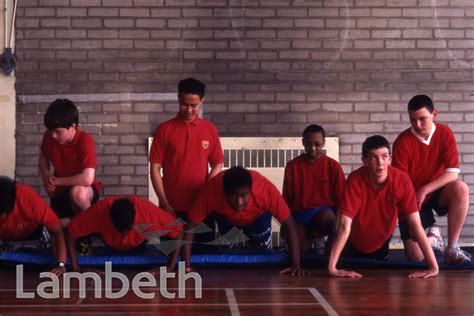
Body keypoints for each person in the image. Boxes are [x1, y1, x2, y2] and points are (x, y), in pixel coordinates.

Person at [328, 136, 438, 279]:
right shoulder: (355, 180)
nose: (380, 163)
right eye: (373, 158)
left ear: (390, 158)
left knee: (411, 259)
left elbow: (416, 224)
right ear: (365, 161)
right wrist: (332, 268)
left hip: (381, 242)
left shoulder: (402, 180)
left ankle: (434, 238)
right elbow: (344, 225)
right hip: (352, 242)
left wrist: (434, 267)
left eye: (384, 157)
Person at [182, 166, 308, 276]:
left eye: (244, 195)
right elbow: (191, 225)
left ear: (251, 190)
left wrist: (295, 263)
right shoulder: (211, 191)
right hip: (227, 220)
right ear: (224, 192)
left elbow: (289, 223)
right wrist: (186, 266)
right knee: (226, 254)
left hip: (258, 219)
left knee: (263, 255)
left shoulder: (265, 190)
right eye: (233, 195)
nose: (239, 202)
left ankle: (260, 242)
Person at [393, 94, 470, 265]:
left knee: (461, 189)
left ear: (434, 114)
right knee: (417, 258)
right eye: (413, 120)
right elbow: (401, 184)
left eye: (422, 119)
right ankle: (434, 238)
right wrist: (414, 201)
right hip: (412, 198)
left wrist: (425, 190)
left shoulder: (445, 133)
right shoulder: (402, 142)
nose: (418, 125)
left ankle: (452, 247)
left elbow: (452, 173)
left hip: (436, 191)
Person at [149, 78, 223, 239]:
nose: (188, 109)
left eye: (194, 105)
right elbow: (155, 168)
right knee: (171, 257)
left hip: (201, 207)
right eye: (184, 104)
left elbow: (217, 164)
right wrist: (165, 203)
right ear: (178, 99)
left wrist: (207, 190)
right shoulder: (165, 130)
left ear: (202, 101)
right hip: (170, 207)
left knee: (202, 256)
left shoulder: (209, 130)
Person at [64, 196, 183, 272]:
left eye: (128, 229)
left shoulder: (146, 211)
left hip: (138, 243)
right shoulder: (99, 211)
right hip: (109, 242)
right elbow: (69, 231)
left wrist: (170, 266)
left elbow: (178, 229)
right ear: (111, 220)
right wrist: (76, 268)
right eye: (121, 230)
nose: (125, 233)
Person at [283, 124, 345, 254]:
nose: (312, 148)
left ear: (323, 142)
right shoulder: (292, 166)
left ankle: (319, 237)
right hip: (299, 215)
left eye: (317, 144)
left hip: (322, 214)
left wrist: (336, 230)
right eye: (308, 144)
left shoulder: (333, 166)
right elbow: (286, 200)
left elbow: (342, 202)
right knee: (302, 252)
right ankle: (308, 239)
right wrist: (287, 226)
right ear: (303, 142)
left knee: (328, 219)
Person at [39, 98, 102, 220]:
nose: (53, 135)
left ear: (73, 126)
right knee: (55, 227)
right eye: (51, 131)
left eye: (58, 132)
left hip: (85, 191)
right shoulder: (49, 136)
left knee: (78, 193)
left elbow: (87, 179)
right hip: (60, 192)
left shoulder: (85, 140)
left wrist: (55, 181)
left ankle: (88, 231)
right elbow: (43, 157)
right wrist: (46, 176)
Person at [0, 176, 67, 276]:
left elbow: (58, 229)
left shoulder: (28, 198)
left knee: (48, 258)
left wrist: (61, 264)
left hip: (33, 230)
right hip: (4, 234)